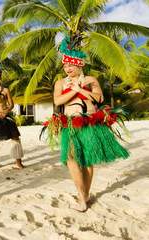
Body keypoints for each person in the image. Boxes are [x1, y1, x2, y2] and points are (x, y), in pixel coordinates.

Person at [43, 35, 129, 212]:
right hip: (71, 124)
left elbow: (99, 98)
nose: (68, 68)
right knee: (72, 159)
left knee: (88, 161)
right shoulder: (60, 83)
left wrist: (80, 88)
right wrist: (73, 91)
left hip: (90, 123)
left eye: (71, 65)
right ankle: (82, 195)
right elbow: (58, 101)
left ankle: (85, 196)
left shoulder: (90, 80)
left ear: (80, 64)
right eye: (65, 65)